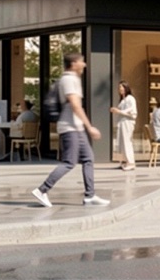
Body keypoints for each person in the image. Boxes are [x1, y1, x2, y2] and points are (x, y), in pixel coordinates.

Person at [29, 52, 107, 208]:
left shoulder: (71, 79)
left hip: (76, 127)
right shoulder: (69, 80)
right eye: (81, 62)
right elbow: (76, 105)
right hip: (70, 128)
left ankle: (90, 196)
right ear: (73, 64)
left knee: (88, 158)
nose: (84, 64)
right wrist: (90, 127)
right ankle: (42, 190)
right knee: (69, 162)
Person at [111, 82, 138, 169]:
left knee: (127, 142)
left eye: (121, 87)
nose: (120, 89)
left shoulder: (130, 99)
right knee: (122, 142)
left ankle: (131, 162)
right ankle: (125, 161)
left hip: (127, 122)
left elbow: (132, 111)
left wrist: (119, 111)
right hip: (122, 122)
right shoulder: (123, 99)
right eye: (119, 87)